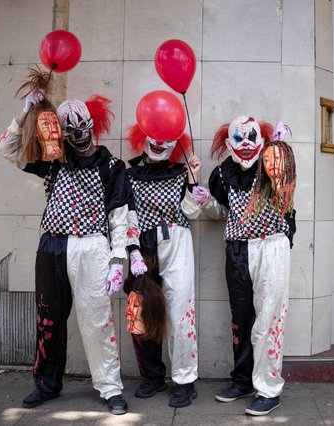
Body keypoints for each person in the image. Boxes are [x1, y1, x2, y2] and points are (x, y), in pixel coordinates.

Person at [0, 68, 143, 415]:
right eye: (69, 129)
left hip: (92, 246)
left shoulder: (111, 165)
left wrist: (118, 260)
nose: (77, 135)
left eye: (82, 127)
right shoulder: (52, 160)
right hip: (52, 245)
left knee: (97, 319)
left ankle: (109, 387)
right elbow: (7, 148)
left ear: (92, 124)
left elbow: (121, 215)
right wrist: (25, 113)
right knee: (48, 319)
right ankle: (46, 384)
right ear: (60, 131)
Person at [208, 117, 296, 416]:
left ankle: (269, 388)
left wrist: (281, 148)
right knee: (241, 320)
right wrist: (201, 198)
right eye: (238, 137)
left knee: (268, 321)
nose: (245, 143)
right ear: (228, 142)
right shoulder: (223, 174)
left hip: (269, 246)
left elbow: (285, 186)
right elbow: (221, 210)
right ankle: (243, 380)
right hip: (236, 251)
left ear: (261, 138)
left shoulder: (271, 164)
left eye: (251, 137)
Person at [122, 124, 211, 408]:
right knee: (143, 311)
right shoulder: (130, 175)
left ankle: (185, 380)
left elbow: (190, 213)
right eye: (155, 136)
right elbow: (126, 215)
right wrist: (132, 250)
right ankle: (152, 376)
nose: (159, 142)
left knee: (179, 311)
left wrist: (193, 182)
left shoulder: (179, 172)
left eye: (166, 138)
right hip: (142, 247)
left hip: (176, 244)